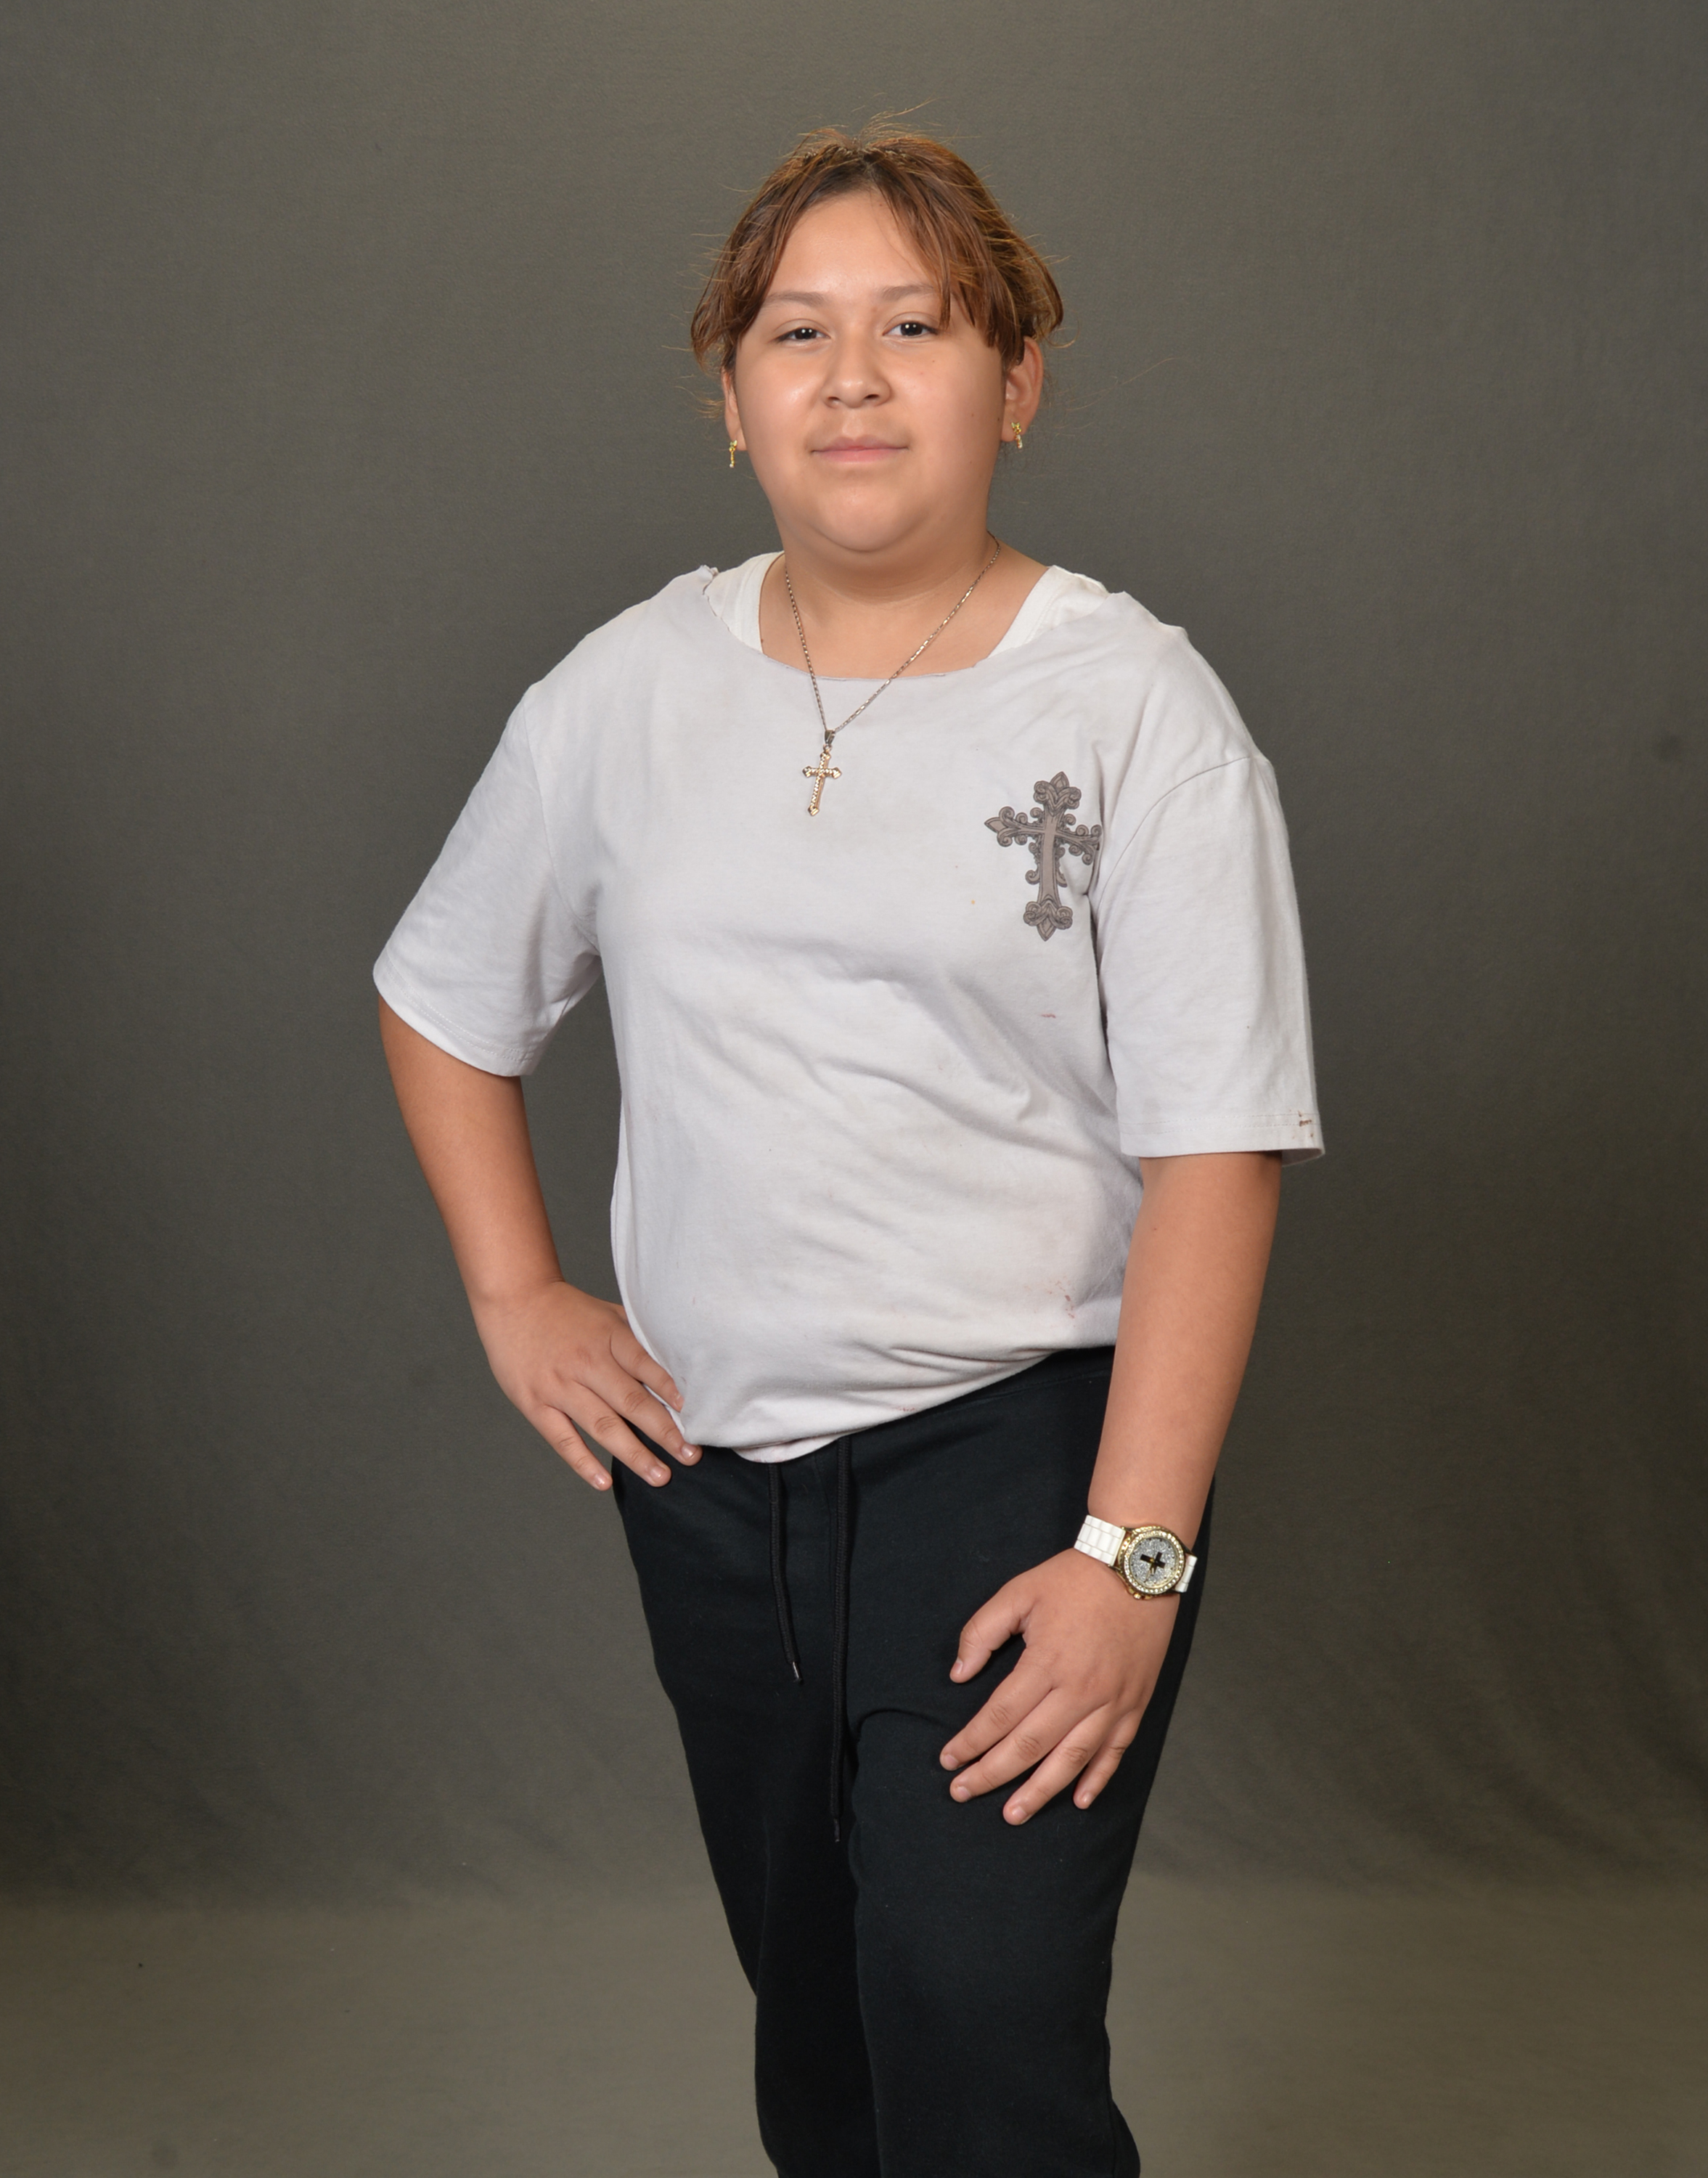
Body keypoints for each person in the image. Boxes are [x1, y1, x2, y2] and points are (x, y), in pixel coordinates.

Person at [375, 125, 1319, 2178]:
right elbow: (444, 998)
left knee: (976, 2024)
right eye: (798, 333)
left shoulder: (1135, 709)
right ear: (731, 399)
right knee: (824, 2034)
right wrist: (518, 1295)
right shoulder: (625, 692)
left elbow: (1219, 1153)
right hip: (714, 1489)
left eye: (919, 326)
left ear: (1017, 380)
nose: (855, 378)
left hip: (1023, 1464)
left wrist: (1134, 1561)